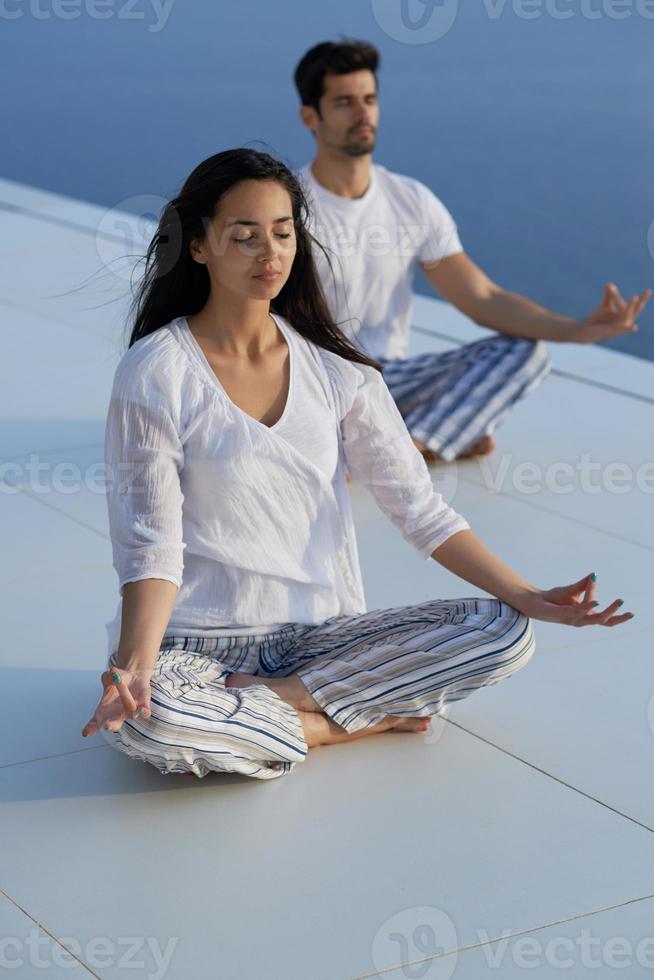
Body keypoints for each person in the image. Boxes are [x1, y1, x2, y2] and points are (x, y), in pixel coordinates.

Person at [80, 149, 634, 781]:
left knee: (506, 632)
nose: (271, 253)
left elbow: (421, 511)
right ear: (200, 246)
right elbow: (152, 545)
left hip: (319, 639)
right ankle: (353, 718)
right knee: (156, 723)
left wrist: (526, 594)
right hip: (195, 647)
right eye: (245, 235)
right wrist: (133, 670)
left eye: (284, 233)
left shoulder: (339, 371)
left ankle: (285, 709)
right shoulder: (158, 369)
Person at [292, 40, 652, 464]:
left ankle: (411, 447)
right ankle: (444, 433)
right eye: (345, 102)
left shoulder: (410, 199)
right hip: (319, 381)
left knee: (523, 353)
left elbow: (482, 298)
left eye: (370, 99)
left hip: (388, 379)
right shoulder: (290, 210)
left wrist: (578, 330)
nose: (363, 113)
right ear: (310, 117)